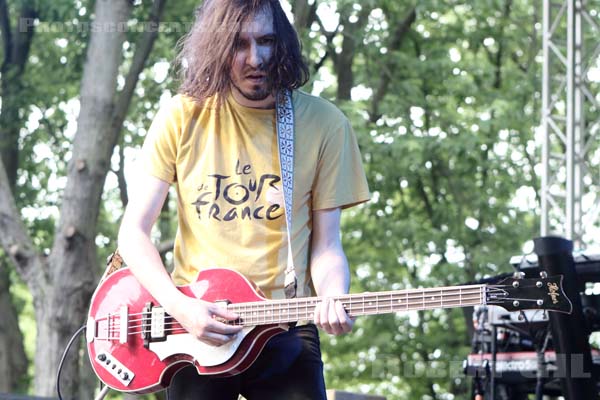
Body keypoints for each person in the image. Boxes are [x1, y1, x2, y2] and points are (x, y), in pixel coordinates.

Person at [117, 0, 370, 398]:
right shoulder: (181, 117)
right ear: (217, 47)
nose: (256, 58)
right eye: (239, 44)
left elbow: (326, 245)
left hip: (286, 324)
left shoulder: (324, 125)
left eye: (267, 41)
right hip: (196, 326)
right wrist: (180, 308)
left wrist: (334, 293)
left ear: (282, 42)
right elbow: (133, 234)